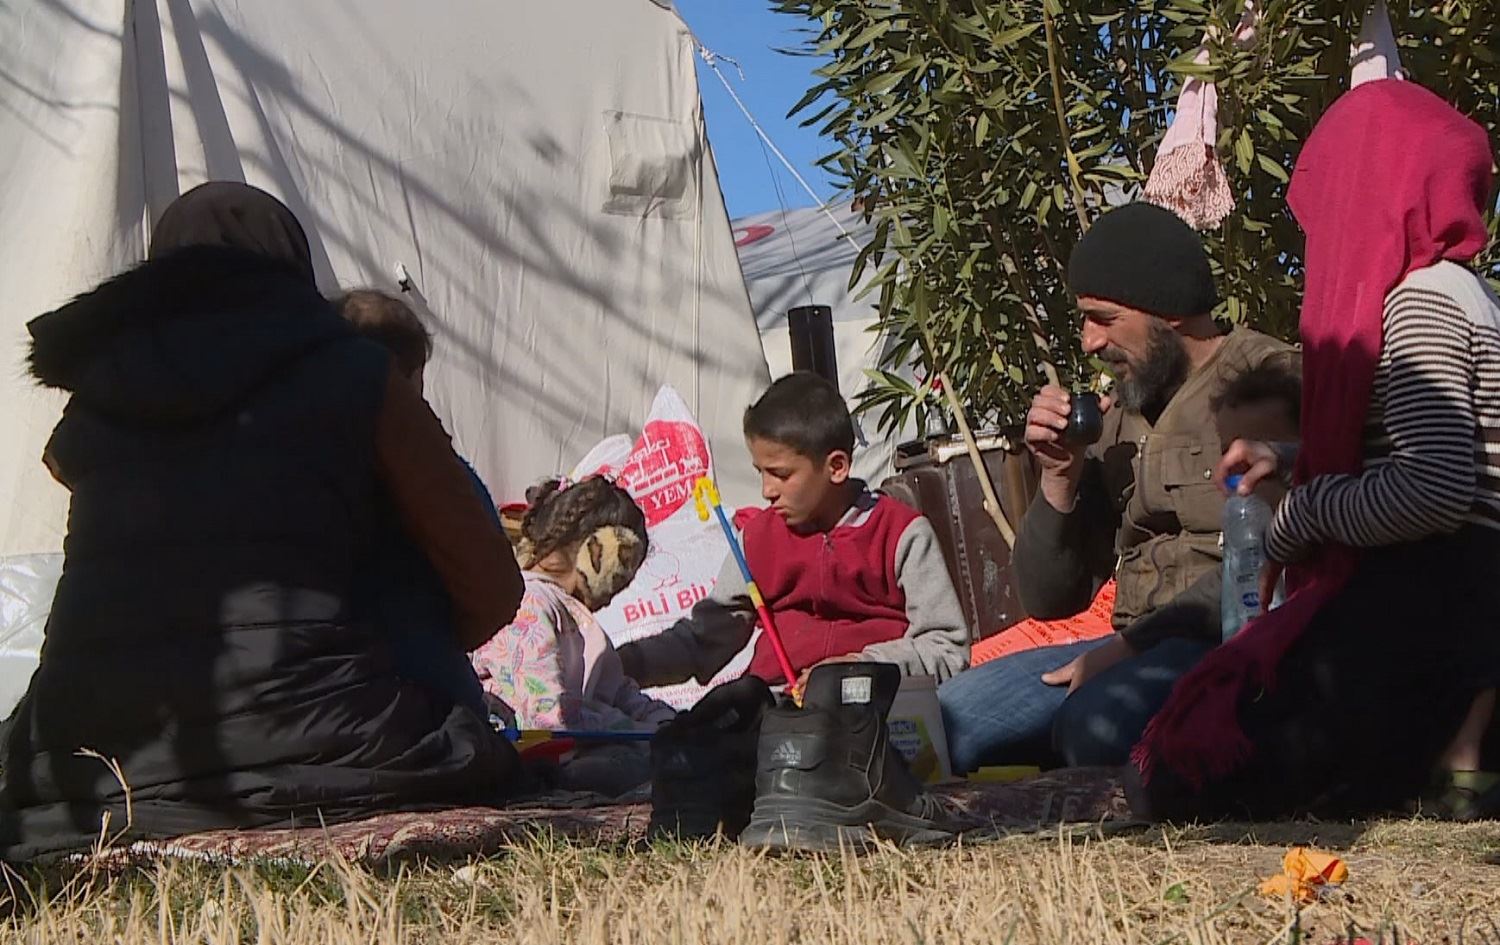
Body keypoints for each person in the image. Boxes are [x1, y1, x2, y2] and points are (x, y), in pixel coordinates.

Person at [0, 182, 526, 861]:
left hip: (92, 753)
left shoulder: (98, 400)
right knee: (396, 553)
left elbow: (73, 473)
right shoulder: (355, 376)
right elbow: (488, 585)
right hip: (330, 742)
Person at [1134, 79, 1500, 822]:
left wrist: (1303, 511)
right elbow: (1420, 445)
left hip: (1446, 595)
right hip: (1459, 591)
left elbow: (1432, 490)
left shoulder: (1420, 299)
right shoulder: (1462, 291)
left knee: (1201, 771)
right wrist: (1291, 452)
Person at [938, 202, 1298, 774]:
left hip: (1225, 644)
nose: (1087, 341)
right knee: (946, 721)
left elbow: (1273, 567)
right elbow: (1051, 599)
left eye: (1103, 317)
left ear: (1169, 310)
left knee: (1096, 726)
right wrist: (1058, 475)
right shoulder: (1119, 414)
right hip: (1124, 650)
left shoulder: (1266, 382)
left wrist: (1131, 650)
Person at [616, 372, 968, 691]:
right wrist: (626, 664)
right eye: (760, 472)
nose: (767, 490)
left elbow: (946, 647)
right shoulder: (758, 538)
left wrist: (862, 668)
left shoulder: (900, 534)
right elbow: (704, 638)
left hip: (873, 705)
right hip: (777, 707)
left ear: (836, 467)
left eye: (781, 474)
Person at [336, 289, 501, 722]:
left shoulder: (286, 458)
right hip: (427, 696)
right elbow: (492, 579)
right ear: (403, 384)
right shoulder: (423, 462)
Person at [471, 476, 675, 796]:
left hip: (575, 748)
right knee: (630, 764)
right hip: (525, 754)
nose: (622, 586)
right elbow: (547, 714)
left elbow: (619, 692)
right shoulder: (528, 604)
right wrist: (636, 732)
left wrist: (670, 725)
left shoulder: (577, 621)